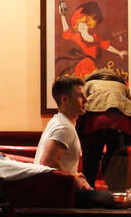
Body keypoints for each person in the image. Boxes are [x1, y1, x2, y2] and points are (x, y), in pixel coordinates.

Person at [35, 75, 112, 208]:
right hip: (58, 195)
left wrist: (75, 175)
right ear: (65, 99)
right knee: (108, 199)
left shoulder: (59, 121)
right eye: (80, 96)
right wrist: (74, 179)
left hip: (57, 190)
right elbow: (47, 162)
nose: (86, 100)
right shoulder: (63, 127)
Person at [79, 70, 131, 188]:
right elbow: (130, 108)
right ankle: (117, 194)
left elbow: (81, 105)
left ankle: (87, 192)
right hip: (122, 123)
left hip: (95, 121)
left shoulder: (88, 84)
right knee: (117, 163)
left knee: (91, 161)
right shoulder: (122, 86)